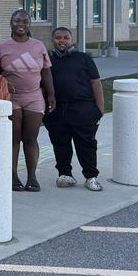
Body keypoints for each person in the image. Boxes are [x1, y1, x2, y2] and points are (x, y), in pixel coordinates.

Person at [0, 9, 55, 192]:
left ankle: (32, 176)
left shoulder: (38, 46)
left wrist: (51, 94)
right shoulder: (2, 47)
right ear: (11, 23)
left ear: (29, 24)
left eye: (25, 21)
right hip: (11, 98)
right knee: (13, 138)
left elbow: (46, 72)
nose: (20, 24)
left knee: (30, 138)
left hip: (34, 97)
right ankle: (13, 176)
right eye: (16, 21)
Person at [46, 27, 105, 191]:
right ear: (52, 40)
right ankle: (65, 174)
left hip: (83, 109)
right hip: (57, 111)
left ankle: (91, 176)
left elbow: (96, 82)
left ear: (71, 39)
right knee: (60, 143)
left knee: (86, 144)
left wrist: (99, 108)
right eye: (58, 38)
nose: (62, 41)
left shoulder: (83, 58)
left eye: (66, 37)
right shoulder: (48, 60)